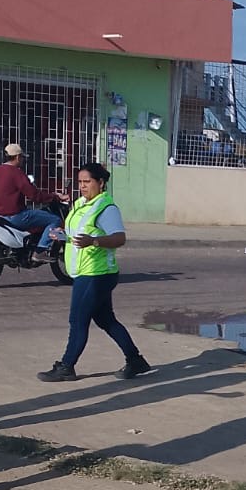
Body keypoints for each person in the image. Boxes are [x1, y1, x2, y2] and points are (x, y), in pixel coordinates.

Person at [38, 163, 151, 382]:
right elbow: (78, 233)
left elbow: (119, 238)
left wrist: (94, 241)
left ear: (100, 183)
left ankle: (66, 366)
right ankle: (136, 360)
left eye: (87, 182)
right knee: (106, 320)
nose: (82, 186)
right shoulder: (80, 204)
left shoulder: (106, 208)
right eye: (80, 182)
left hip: (97, 274)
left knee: (78, 320)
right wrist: (63, 234)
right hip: (84, 271)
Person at [0, 142, 56, 258]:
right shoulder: (16, 173)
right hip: (17, 216)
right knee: (55, 220)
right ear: (17, 157)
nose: (23, 160)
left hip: (0, 215)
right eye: (22, 157)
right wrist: (54, 196)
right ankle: (40, 251)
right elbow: (34, 196)